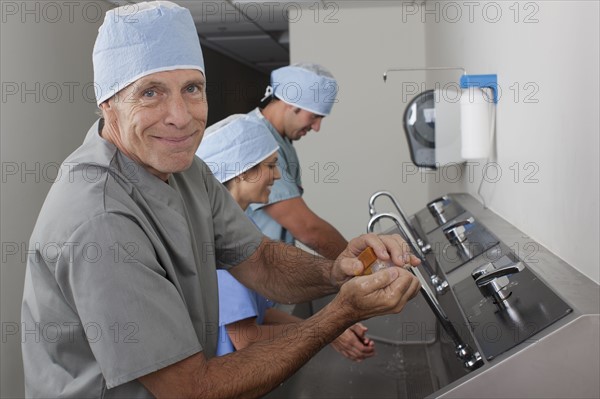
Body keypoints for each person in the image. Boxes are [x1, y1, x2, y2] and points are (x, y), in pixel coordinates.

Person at [20, 2, 421, 398]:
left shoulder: (187, 171)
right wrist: (340, 315)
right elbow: (190, 390)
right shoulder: (100, 220)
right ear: (108, 104)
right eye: (151, 92)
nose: (180, 115)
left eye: (192, 88)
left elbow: (260, 259)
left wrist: (337, 270)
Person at [197, 115, 375, 362]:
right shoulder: (219, 241)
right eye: (270, 166)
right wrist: (328, 328)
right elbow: (245, 338)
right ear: (240, 172)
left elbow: (259, 314)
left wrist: (330, 328)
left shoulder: (241, 227)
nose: (278, 175)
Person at [244, 63, 348, 260]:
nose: (317, 127)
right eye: (314, 116)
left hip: (271, 266)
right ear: (290, 103)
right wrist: (362, 264)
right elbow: (307, 228)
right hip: (246, 273)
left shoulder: (281, 143)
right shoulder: (256, 140)